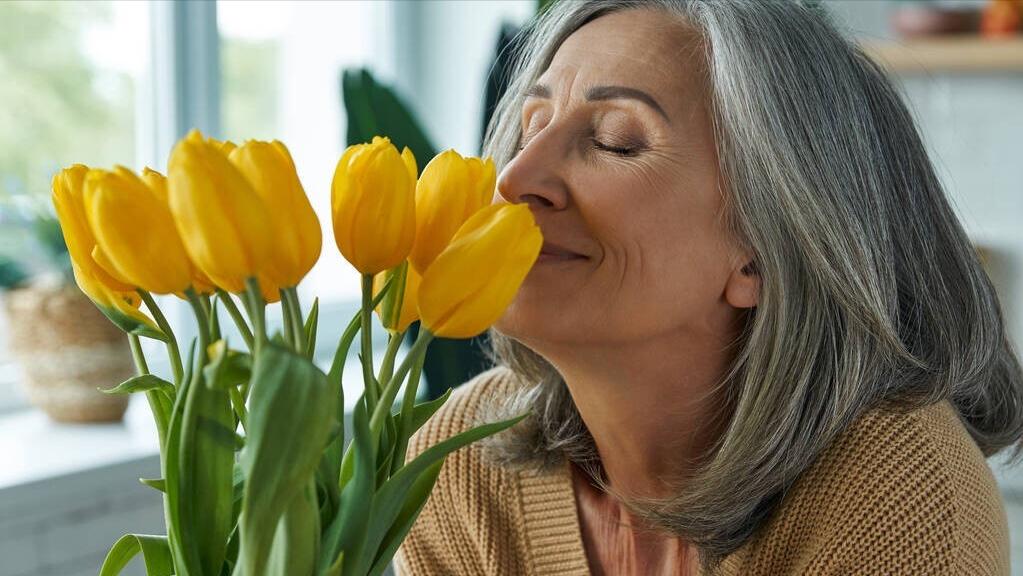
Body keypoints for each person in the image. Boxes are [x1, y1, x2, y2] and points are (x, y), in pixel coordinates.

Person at [395, 1, 1023, 574]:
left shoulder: (899, 499)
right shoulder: (454, 464)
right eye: (532, 127)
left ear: (761, 256)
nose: (515, 178)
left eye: (615, 141)